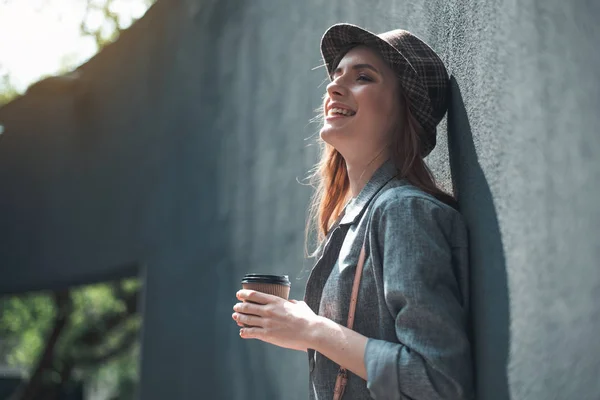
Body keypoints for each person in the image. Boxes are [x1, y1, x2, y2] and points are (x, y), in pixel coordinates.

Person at [232, 23, 473, 400]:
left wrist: (314, 330)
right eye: (336, 75)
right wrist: (299, 325)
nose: (334, 86)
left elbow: (438, 382)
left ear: (405, 108)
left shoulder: (404, 211)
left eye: (363, 76)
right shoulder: (355, 219)